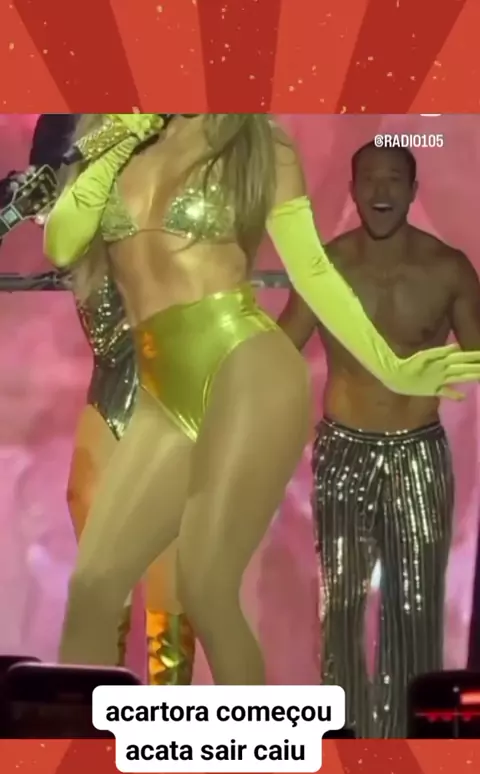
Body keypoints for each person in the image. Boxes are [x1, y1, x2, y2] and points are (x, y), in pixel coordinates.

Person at [43, 114, 480, 685]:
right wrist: (117, 138)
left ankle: (245, 737)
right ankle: (79, 738)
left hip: (247, 368)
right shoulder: (121, 139)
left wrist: (392, 368)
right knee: (93, 586)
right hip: (161, 388)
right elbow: (62, 243)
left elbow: (314, 271)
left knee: (205, 586)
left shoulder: (259, 143)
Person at [278, 140, 480, 734]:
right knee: (339, 605)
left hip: (419, 454)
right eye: (369, 178)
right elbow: (280, 349)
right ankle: (345, 742)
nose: (381, 191)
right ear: (352, 188)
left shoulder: (448, 269)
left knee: (414, 608)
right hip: (343, 451)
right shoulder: (327, 267)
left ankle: (406, 748)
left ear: (413, 191)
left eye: (394, 179)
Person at [31, 114, 196, 684]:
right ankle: (94, 708)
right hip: (116, 380)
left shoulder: (180, 136)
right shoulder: (73, 131)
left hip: (176, 378)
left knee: (165, 552)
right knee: (101, 550)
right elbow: (51, 215)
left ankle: (166, 715)